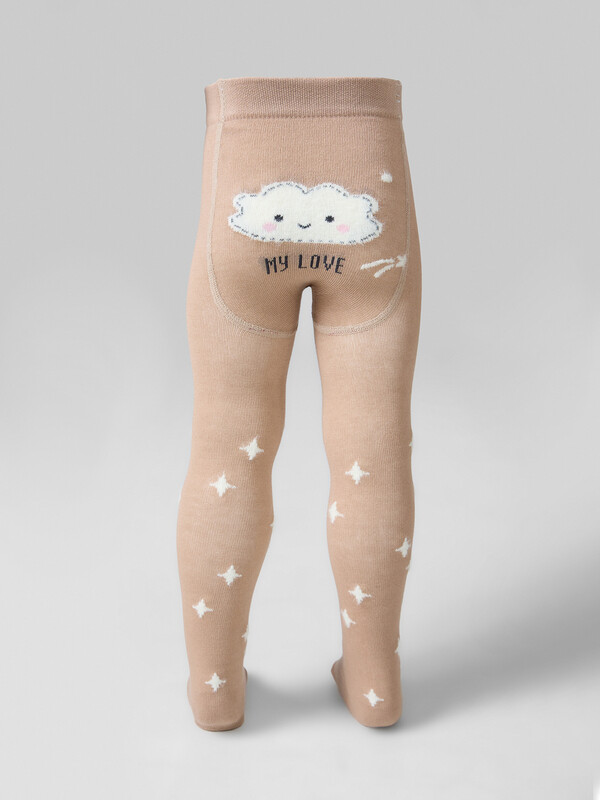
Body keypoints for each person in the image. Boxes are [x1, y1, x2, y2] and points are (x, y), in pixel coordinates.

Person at [176, 76, 422, 730]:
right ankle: (375, 684)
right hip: (368, 178)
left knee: (225, 451)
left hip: (245, 173)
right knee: (375, 451)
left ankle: (214, 688)